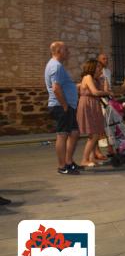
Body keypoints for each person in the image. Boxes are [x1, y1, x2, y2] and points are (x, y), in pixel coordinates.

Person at [44, 41, 80, 175]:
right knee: (63, 135)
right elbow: (56, 88)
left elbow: (62, 86)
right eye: (66, 49)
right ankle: (62, 166)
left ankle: (69, 162)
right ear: (59, 51)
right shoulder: (56, 66)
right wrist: (65, 105)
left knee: (75, 132)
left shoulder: (57, 65)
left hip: (67, 105)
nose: (68, 52)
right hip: (61, 106)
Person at [77, 59, 112, 167]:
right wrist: (107, 92)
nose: (100, 69)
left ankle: (92, 158)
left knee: (94, 133)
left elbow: (104, 90)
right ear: (92, 67)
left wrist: (104, 80)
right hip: (88, 105)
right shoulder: (87, 77)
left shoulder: (96, 79)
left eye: (100, 68)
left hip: (94, 104)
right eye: (97, 67)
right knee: (94, 134)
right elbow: (95, 92)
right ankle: (84, 159)